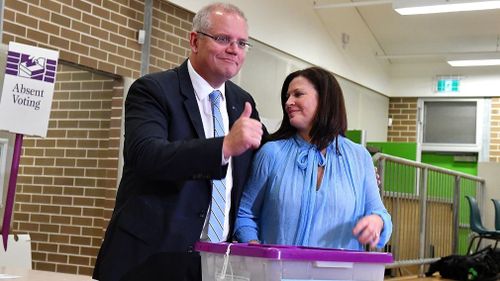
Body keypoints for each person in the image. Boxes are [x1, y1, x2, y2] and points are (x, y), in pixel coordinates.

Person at [93, 3, 264, 281]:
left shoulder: (242, 103)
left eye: (242, 43)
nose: (234, 49)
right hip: (147, 262)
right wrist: (223, 147)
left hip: (213, 266)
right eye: (223, 39)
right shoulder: (153, 90)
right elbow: (147, 155)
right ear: (195, 41)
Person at [234, 67, 392, 250]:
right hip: (279, 274)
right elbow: (245, 213)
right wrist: (254, 247)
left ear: (324, 100)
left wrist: (377, 221)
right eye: (287, 96)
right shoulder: (271, 153)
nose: (289, 102)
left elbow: (380, 212)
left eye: (298, 94)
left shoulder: (359, 157)